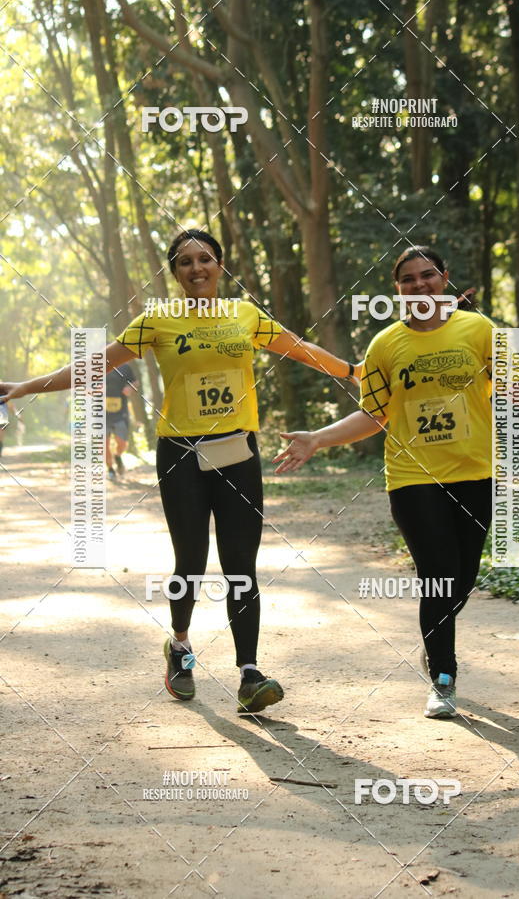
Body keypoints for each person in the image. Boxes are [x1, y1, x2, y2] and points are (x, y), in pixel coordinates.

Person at [0, 229, 360, 715]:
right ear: (175, 271)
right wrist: (25, 387)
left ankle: (250, 673)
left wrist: (352, 371)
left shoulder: (244, 314)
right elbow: (97, 363)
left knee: (241, 564)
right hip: (181, 453)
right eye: (185, 262)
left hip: (238, 449)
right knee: (190, 561)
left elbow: (298, 348)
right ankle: (180, 647)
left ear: (220, 265)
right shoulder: (157, 320)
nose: (197, 268)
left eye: (205, 258)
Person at [273, 245, 519, 719]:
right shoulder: (385, 344)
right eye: (408, 279)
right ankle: (443, 676)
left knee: (462, 578)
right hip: (413, 478)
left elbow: (515, 388)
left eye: (428, 275)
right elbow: (374, 414)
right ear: (398, 289)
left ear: (444, 278)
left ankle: (434, 641)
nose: (420, 285)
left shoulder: (482, 330)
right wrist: (318, 439)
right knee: (439, 575)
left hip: (478, 472)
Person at [105, 362, 139, 480]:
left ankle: (118, 456)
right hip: (100, 412)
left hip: (121, 411)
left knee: (122, 443)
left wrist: (130, 388)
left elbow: (135, 382)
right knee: (103, 444)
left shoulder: (124, 366)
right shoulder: (95, 367)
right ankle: (110, 469)